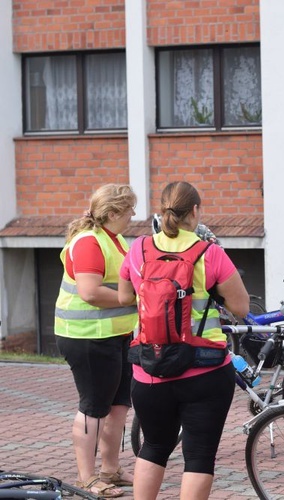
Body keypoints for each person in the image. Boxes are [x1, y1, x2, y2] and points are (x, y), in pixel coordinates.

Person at [118, 181, 250, 500]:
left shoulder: (138, 249)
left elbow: (124, 297)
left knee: (154, 446)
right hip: (205, 369)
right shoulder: (210, 254)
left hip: (150, 368)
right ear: (194, 211)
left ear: (162, 210)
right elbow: (241, 307)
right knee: (199, 455)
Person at [54, 184, 139, 498]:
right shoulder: (89, 242)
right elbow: (90, 293)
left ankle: (110, 469)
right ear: (113, 212)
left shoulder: (112, 238)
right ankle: (87, 478)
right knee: (93, 407)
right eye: (129, 208)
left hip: (114, 335)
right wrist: (134, 298)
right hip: (88, 338)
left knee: (117, 406)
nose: (133, 214)